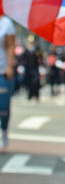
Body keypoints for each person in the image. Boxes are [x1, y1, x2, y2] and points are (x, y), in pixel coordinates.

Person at [0, 16, 15, 150]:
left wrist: (9, 67)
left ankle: (4, 130)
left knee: (3, 107)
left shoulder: (6, 23)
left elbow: (10, 46)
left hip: (2, 72)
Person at [22, 35, 42, 101]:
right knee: (29, 82)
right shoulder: (27, 49)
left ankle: (36, 95)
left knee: (36, 82)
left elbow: (39, 58)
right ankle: (30, 95)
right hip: (28, 68)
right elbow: (23, 58)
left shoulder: (37, 49)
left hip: (35, 68)